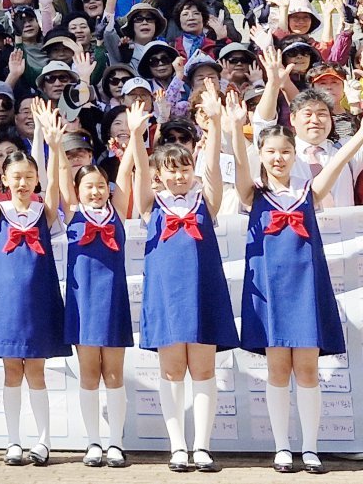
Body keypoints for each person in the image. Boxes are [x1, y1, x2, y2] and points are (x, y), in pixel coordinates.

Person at [228, 88, 363, 475]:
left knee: (307, 370)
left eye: (285, 152)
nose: (278, 158)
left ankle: (310, 447)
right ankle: (282, 447)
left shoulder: (309, 192)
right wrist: (237, 128)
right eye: (271, 152)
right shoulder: (253, 195)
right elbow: (240, 167)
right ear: (263, 155)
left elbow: (339, 161)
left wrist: (359, 134)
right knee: (276, 370)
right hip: (270, 293)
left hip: (306, 292)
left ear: (294, 155)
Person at [129, 79, 238, 474]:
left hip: (203, 290)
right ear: (159, 173)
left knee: (204, 370)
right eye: (170, 170)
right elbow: (140, 172)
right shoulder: (150, 203)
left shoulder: (205, 200)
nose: (178, 177)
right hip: (165, 294)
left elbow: (213, 170)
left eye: (184, 169)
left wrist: (214, 123)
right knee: (172, 370)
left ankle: (203, 447)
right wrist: (139, 137)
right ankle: (178, 447)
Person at [0, 92, 69, 468]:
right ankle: (13, 442)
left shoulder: (45, 213)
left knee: (38, 371)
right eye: (16, 177)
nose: (24, 182)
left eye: (29, 177)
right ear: (5, 179)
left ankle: (43, 442)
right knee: (12, 370)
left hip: (41, 301)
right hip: (7, 303)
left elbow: (55, 184)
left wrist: (50, 143)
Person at [56, 102, 137, 469]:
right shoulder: (72, 212)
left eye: (100, 185)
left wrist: (135, 135)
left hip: (113, 300)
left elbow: (129, 167)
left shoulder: (118, 209)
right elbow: (59, 174)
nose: (95, 192)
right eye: (88, 186)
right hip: (82, 302)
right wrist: (55, 143)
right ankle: (92, 442)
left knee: (114, 374)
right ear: (77, 189)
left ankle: (116, 442)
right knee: (89, 374)